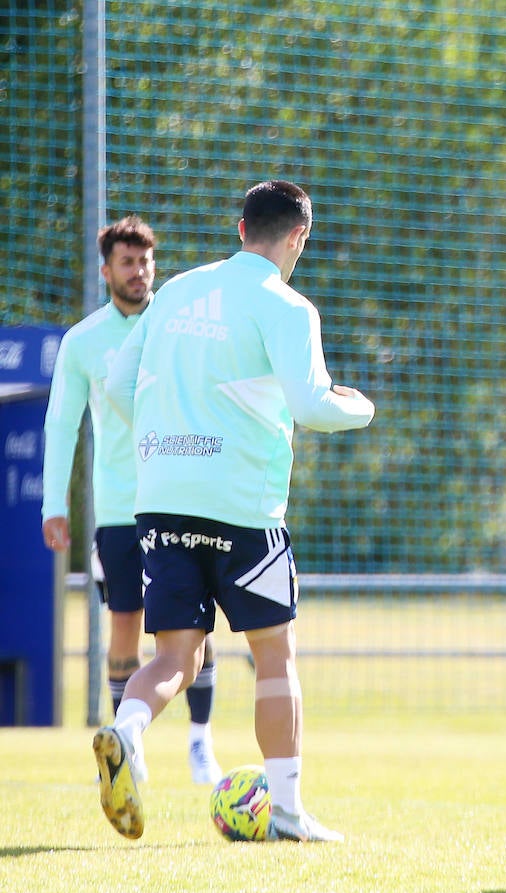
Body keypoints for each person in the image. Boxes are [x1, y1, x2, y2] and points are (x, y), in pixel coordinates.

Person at [95, 180, 375, 841]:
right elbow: (310, 406)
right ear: (298, 237)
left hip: (160, 500)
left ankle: (126, 731)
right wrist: (360, 406)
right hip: (243, 508)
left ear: (240, 227)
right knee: (274, 656)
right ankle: (286, 813)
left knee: (176, 658)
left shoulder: (177, 292)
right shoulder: (286, 305)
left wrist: (161, 440)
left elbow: (115, 383)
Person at [41, 216, 222, 785]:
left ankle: (200, 743)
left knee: (196, 629)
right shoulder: (83, 340)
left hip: (182, 497)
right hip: (121, 511)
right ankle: (126, 749)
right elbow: (61, 424)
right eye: (127, 262)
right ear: (107, 270)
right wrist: (54, 504)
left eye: (145, 261)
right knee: (124, 627)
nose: (139, 272)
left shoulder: (181, 327)